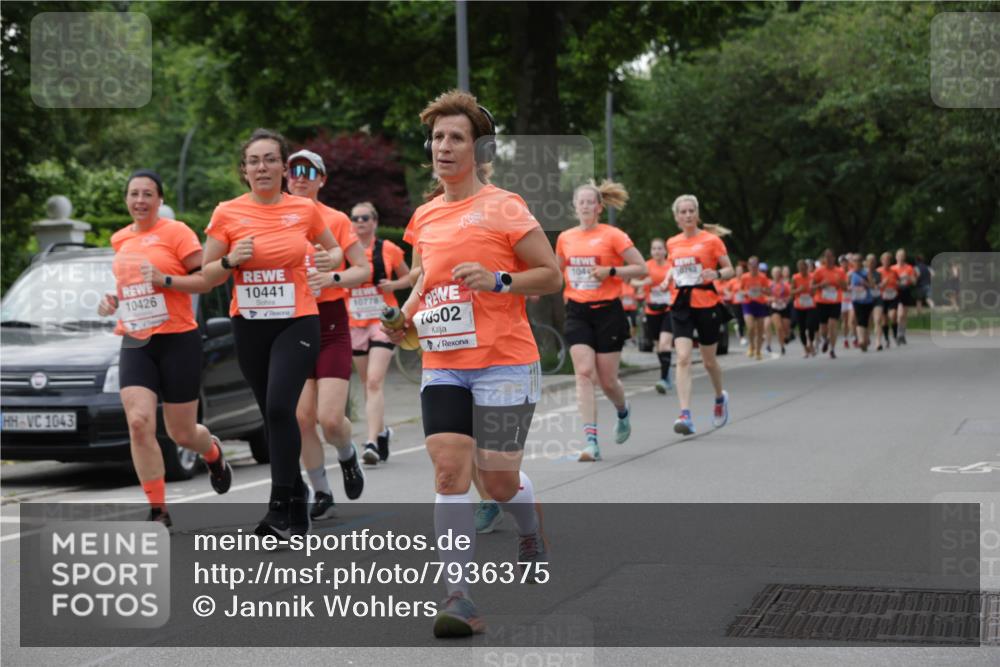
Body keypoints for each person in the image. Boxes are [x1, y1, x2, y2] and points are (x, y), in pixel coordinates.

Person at [386, 91, 563, 637]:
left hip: (505, 360)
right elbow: (425, 281)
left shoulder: (505, 206)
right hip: (444, 362)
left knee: (498, 481)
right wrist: (405, 318)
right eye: (437, 137)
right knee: (448, 471)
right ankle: (459, 597)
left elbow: (551, 274)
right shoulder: (424, 216)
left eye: (456, 137)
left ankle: (528, 525)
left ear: (478, 149)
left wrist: (500, 280)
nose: (443, 146)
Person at [201, 129, 347, 538]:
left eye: (269, 159)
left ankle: (279, 506)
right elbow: (207, 274)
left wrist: (325, 257)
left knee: (282, 407)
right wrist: (231, 259)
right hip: (249, 325)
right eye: (253, 161)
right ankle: (298, 506)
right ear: (244, 170)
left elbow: (335, 250)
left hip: (297, 321)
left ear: (285, 167)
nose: (262, 167)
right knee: (272, 414)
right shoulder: (226, 213)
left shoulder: (304, 210)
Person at [97, 170, 233, 527]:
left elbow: (204, 281)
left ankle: (213, 453)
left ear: (159, 200)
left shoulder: (177, 233)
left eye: (147, 194)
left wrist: (165, 280)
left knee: (182, 434)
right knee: (139, 422)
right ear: (126, 200)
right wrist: (113, 299)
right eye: (133, 194)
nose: (139, 201)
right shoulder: (119, 239)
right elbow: (129, 286)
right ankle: (159, 510)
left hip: (177, 340)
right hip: (137, 340)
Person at [284, 150, 371, 522]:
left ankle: (347, 454)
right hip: (292, 322)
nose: (299, 177)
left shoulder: (334, 220)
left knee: (330, 419)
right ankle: (322, 492)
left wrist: (333, 277)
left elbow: (363, 269)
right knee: (303, 418)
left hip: (331, 323)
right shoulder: (276, 220)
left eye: (308, 171)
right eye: (293, 171)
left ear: (322, 179)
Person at [556, 180, 647, 462]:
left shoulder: (613, 235)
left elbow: (641, 268)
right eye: (580, 202)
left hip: (608, 311)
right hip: (578, 312)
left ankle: (622, 410)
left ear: (599, 207)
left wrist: (610, 270)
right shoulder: (565, 238)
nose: (585, 206)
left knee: (607, 381)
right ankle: (591, 441)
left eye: (589, 202)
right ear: (575, 206)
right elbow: (557, 272)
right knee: (583, 373)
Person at [346, 201, 411, 466]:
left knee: (374, 381)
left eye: (365, 218)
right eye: (355, 218)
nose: (360, 222)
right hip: (354, 322)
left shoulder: (389, 249)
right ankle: (382, 432)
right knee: (366, 383)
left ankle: (371, 441)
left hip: (384, 320)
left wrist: (392, 284)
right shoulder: (345, 251)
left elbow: (410, 277)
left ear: (374, 222)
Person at [663, 195, 734, 435]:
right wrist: (667, 278)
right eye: (683, 212)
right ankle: (685, 414)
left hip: (706, 303)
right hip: (681, 303)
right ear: (676, 217)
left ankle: (719, 397)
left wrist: (716, 274)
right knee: (682, 357)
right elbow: (675, 266)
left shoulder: (711, 241)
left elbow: (729, 269)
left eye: (691, 210)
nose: (688, 215)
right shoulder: (672, 243)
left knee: (708, 361)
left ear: (697, 213)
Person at [634, 238, 673, 393]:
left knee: (664, 344)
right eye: (654, 249)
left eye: (660, 248)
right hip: (652, 310)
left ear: (665, 251)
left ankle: (664, 379)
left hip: (669, 310)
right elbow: (632, 282)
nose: (657, 251)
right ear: (651, 251)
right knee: (658, 346)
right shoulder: (647, 266)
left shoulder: (671, 266)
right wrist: (644, 283)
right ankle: (666, 373)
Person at [811, 249, 848, 359]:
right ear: (823, 259)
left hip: (835, 301)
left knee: (833, 325)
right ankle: (825, 339)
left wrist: (839, 283)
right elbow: (812, 288)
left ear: (834, 258)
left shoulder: (840, 271)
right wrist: (821, 285)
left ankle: (832, 349)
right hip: (822, 302)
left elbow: (845, 288)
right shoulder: (818, 271)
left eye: (831, 257)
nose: (829, 259)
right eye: (826, 257)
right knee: (823, 328)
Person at [739, 256, 771, 360]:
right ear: (748, 266)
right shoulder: (744, 277)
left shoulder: (763, 277)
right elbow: (740, 291)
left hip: (760, 304)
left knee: (760, 329)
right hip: (748, 303)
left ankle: (758, 351)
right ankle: (751, 346)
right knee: (751, 327)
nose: (753, 268)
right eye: (751, 265)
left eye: (755, 266)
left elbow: (769, 291)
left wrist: (762, 290)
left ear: (758, 266)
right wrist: (747, 292)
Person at [849, 255, 877, 351]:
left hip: (867, 300)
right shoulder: (851, 274)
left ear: (861, 262)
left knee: (866, 320)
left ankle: (865, 339)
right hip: (856, 299)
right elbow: (846, 286)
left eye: (858, 261)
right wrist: (850, 288)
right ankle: (861, 340)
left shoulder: (866, 272)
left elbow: (873, 286)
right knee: (859, 319)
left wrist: (865, 283)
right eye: (854, 261)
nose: (856, 263)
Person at [791, 259, 817, 357]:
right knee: (801, 328)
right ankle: (805, 348)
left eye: (804, 269)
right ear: (798, 269)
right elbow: (791, 292)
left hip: (810, 305)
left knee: (810, 326)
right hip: (799, 306)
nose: (802, 271)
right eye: (800, 269)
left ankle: (811, 344)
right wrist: (798, 290)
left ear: (807, 268)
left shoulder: (812, 277)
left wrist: (812, 290)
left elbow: (815, 292)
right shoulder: (795, 277)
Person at [876, 251, 900, 349]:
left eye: (888, 260)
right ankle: (886, 339)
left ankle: (894, 335)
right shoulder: (878, 271)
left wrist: (898, 284)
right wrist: (882, 284)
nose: (886, 262)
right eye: (884, 260)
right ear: (881, 261)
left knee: (893, 315)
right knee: (884, 320)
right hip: (882, 297)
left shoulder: (894, 271)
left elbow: (898, 281)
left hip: (893, 296)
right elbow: (875, 285)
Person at [893, 248, 916, 345]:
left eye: (902, 256)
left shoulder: (909, 268)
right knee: (899, 314)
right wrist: (898, 281)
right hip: (896, 292)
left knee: (904, 315)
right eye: (899, 256)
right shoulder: (893, 268)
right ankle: (898, 334)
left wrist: (908, 277)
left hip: (906, 291)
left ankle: (902, 334)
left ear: (905, 257)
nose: (901, 258)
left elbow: (914, 282)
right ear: (896, 257)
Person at [768, 265, 791, 355]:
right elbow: (764, 295)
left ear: (780, 274)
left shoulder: (785, 284)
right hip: (774, 308)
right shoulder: (769, 284)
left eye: (778, 273)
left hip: (784, 307)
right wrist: (771, 299)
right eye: (774, 273)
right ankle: (782, 347)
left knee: (785, 328)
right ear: (772, 274)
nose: (776, 274)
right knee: (779, 327)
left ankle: (786, 336)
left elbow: (790, 295)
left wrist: (786, 299)